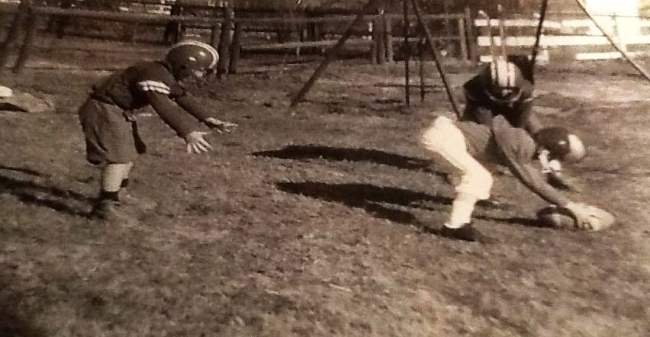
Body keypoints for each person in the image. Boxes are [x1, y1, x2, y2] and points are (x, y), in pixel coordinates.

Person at [78, 40, 237, 222]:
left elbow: (181, 97)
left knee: (130, 153)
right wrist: (187, 131)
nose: (200, 76)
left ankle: (116, 196)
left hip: (117, 109)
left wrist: (207, 118)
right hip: (104, 109)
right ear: (185, 65)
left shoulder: (163, 73)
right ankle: (104, 206)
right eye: (199, 70)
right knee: (118, 157)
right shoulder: (153, 73)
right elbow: (163, 105)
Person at [419, 113, 595, 243]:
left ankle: (458, 195)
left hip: (449, 136)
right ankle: (455, 226)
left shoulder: (528, 142)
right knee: (479, 177)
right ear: (546, 152)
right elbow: (533, 182)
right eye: (556, 158)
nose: (556, 164)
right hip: (443, 138)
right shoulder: (523, 145)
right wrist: (570, 206)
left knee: (483, 172)